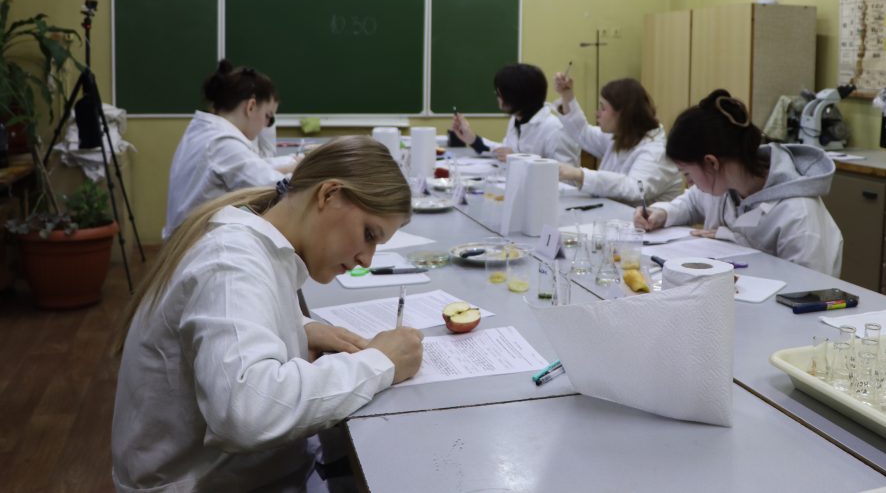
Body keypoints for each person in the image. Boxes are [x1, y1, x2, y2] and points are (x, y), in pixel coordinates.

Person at [112, 136, 424, 492]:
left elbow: (234, 316)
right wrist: (380, 362)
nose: (366, 260)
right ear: (329, 195)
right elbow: (245, 411)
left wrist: (299, 327)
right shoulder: (231, 263)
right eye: (369, 234)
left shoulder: (258, 243)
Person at [634, 89, 842, 276]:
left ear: (711, 162)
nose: (688, 184)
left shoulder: (799, 215)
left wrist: (731, 239)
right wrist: (663, 213)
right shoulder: (724, 183)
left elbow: (809, 291)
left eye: (688, 174)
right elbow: (692, 203)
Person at [163, 60, 296, 239]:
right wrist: (311, 169)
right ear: (251, 107)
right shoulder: (222, 143)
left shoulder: (206, 129)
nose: (266, 125)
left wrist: (293, 162)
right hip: (196, 242)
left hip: (186, 236)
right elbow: (277, 186)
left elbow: (253, 164)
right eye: (268, 117)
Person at [552, 73, 683, 206]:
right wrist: (566, 95)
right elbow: (582, 132)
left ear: (623, 114)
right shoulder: (623, 136)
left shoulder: (656, 152)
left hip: (646, 219)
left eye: (603, 108)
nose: (597, 113)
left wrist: (580, 175)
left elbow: (634, 188)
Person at [450, 63, 579, 165]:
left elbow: (569, 179)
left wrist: (519, 160)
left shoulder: (556, 129)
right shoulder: (518, 119)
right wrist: (472, 139)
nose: (497, 96)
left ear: (517, 96)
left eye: (500, 93)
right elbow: (504, 152)